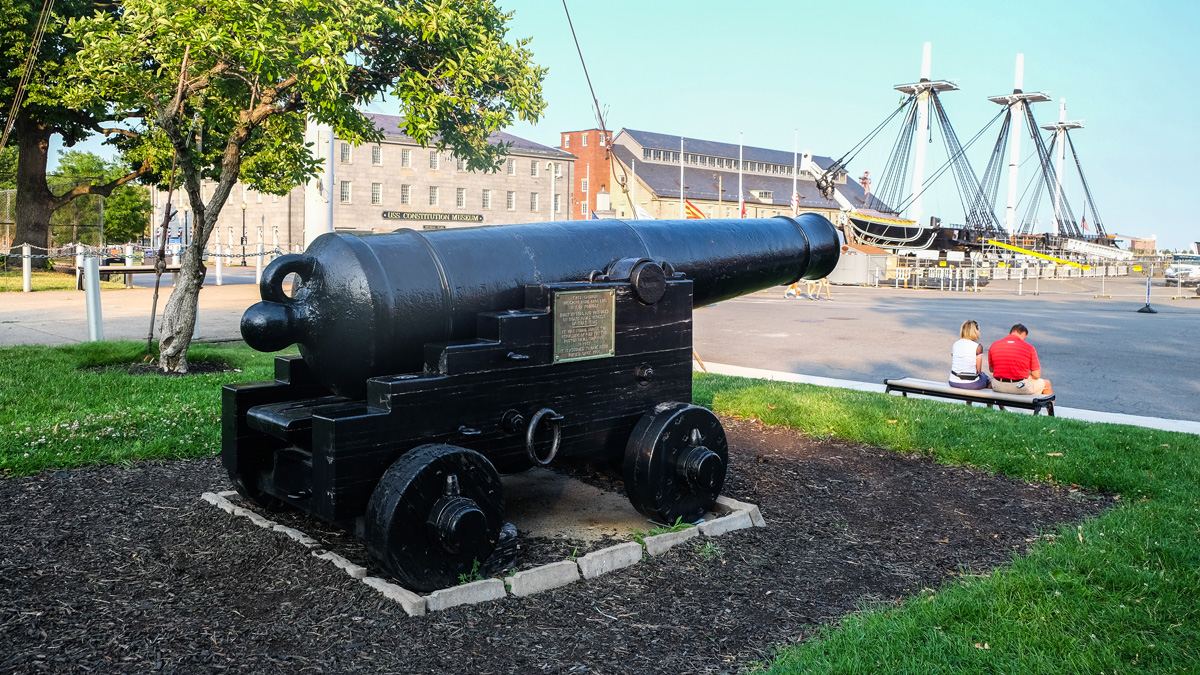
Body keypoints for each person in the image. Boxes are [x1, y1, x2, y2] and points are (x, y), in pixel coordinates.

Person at [987, 323, 1053, 396]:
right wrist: (1028, 376)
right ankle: (1050, 407)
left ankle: (999, 407)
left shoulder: (994, 345)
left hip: (998, 386)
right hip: (1020, 387)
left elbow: (991, 369)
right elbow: (1037, 375)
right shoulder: (1029, 348)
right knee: (1047, 384)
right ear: (1023, 334)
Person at [948, 320, 989, 390]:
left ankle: (968, 400)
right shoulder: (978, 347)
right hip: (971, 382)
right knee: (987, 379)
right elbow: (978, 370)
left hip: (953, 380)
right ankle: (988, 400)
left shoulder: (955, 344)